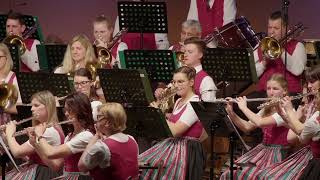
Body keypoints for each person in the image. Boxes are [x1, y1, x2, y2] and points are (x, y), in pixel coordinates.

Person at [220, 74, 292, 179]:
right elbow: (247, 127)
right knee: (231, 172)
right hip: (263, 150)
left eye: (275, 89)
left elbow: (260, 122)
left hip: (279, 153)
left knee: (255, 176)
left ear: (284, 91)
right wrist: (231, 112)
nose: (271, 92)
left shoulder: (286, 110)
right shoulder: (266, 108)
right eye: (268, 89)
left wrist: (244, 108)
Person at [141, 66, 207, 179]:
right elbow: (172, 121)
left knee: (152, 167)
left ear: (191, 82)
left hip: (187, 149)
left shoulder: (195, 103)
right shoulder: (179, 101)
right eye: (174, 82)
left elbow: (175, 131)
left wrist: (158, 113)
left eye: (181, 81)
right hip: (174, 145)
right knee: (141, 163)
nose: (176, 85)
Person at [256, 66, 320, 179]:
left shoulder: (315, 112)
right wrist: (283, 115)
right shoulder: (312, 105)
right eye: (307, 83)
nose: (310, 87)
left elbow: (300, 133)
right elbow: (299, 135)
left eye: (312, 82)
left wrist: (290, 111)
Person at [31, 92, 95, 179]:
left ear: (80, 111)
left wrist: (40, 135)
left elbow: (50, 153)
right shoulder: (69, 136)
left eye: (70, 110)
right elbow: (56, 166)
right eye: (65, 110)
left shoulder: (86, 136)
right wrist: (35, 144)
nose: (66, 114)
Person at [4, 90, 65, 179]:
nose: (32, 109)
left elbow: (17, 152)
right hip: (39, 169)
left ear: (48, 107)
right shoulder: (43, 128)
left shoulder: (48, 131)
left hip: (45, 174)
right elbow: (32, 158)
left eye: (36, 105)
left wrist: (10, 133)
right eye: (32, 105)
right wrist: (7, 141)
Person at [78, 102, 139, 180]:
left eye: (99, 117)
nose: (96, 121)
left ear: (108, 122)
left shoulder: (101, 147)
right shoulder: (131, 139)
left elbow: (81, 167)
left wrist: (96, 137)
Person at [254, 11, 307, 94]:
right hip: (264, 92)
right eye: (269, 27)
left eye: (276, 28)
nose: (272, 31)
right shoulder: (261, 45)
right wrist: (263, 63)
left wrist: (281, 50)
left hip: (289, 93)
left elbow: (298, 70)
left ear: (285, 28)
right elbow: (252, 74)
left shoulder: (298, 46)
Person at [156, 37, 217, 102]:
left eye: (190, 52)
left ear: (200, 55)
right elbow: (166, 94)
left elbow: (209, 109)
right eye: (185, 51)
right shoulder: (181, 75)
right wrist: (161, 92)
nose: (185, 55)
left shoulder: (206, 80)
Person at [0, 43, 22, 125]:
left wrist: (2, 107)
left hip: (7, 125)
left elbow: (19, 108)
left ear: (7, 58)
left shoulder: (15, 79)